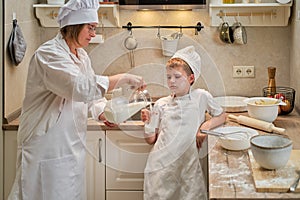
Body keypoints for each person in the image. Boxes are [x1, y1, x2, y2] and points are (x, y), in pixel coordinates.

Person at [7, 0, 146, 199]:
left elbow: (87, 98)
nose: (93, 34)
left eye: (95, 28)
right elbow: (79, 87)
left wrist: (100, 111)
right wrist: (122, 78)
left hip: (70, 150)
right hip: (47, 148)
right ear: (74, 26)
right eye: (90, 28)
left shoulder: (81, 56)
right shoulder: (48, 55)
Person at [141, 46, 226, 200]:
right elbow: (150, 140)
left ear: (191, 78)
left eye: (177, 76)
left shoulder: (201, 97)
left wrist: (204, 128)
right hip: (161, 168)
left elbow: (221, 116)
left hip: (188, 166)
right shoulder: (161, 104)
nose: (171, 81)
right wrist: (147, 123)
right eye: (168, 77)